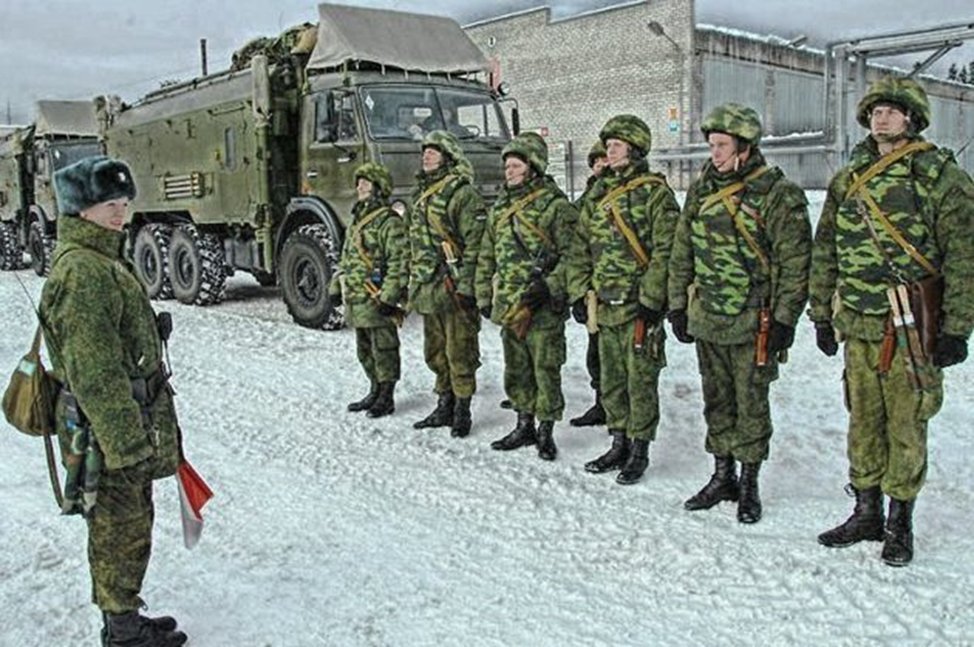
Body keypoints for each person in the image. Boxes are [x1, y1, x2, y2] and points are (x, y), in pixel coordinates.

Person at [810, 76, 974, 566]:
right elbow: (826, 250)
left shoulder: (938, 175)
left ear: (912, 119)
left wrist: (956, 328)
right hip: (859, 322)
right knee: (863, 419)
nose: (881, 118)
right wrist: (820, 313)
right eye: (875, 110)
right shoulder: (847, 177)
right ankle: (866, 510)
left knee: (906, 423)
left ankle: (899, 520)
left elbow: (965, 255)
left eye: (892, 111)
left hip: (909, 326)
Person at [39, 156, 187, 646]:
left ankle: (121, 617)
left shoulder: (101, 258)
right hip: (110, 426)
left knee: (125, 521)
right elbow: (95, 372)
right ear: (81, 209)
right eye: (109, 205)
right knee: (119, 527)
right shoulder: (83, 272)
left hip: (123, 419)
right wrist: (124, 442)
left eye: (124, 203)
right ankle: (122, 632)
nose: (120, 213)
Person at [667, 103, 811, 524]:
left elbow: (795, 262)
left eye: (722, 146)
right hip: (708, 317)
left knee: (751, 404)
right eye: (711, 145)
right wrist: (678, 304)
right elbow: (682, 251)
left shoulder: (777, 194)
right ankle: (721, 475)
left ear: (745, 148)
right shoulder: (701, 190)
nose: (714, 154)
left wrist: (785, 318)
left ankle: (749, 482)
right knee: (716, 400)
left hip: (753, 322)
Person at [566, 115, 680, 485]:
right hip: (605, 306)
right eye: (608, 145)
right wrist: (580, 292)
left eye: (615, 145)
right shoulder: (597, 195)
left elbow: (667, 251)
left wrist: (652, 299)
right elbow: (579, 248)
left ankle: (640, 448)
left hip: (637, 306)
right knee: (612, 378)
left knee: (640, 380)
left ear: (633, 148)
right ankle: (618, 440)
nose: (608, 151)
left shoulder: (654, 193)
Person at [475, 132, 577, 460]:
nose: (509, 171)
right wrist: (483, 295)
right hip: (510, 303)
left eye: (516, 165)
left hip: (543, 305)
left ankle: (545, 429)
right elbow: (486, 254)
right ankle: (523, 423)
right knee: (517, 367)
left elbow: (575, 256)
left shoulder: (555, 206)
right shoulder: (501, 206)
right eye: (507, 165)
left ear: (533, 167)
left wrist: (550, 287)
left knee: (546, 367)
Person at [408, 130, 487, 437]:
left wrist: (468, 289)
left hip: (453, 287)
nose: (426, 155)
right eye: (424, 150)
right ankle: (444, 403)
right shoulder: (420, 194)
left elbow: (476, 246)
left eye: (434, 151)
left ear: (448, 157)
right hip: (429, 287)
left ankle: (462, 410)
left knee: (460, 350)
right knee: (435, 350)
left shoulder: (463, 194)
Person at [330, 162, 407, 418]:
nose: (359, 186)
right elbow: (346, 257)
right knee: (364, 348)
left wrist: (389, 296)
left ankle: (386, 395)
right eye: (359, 181)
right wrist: (335, 286)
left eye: (366, 182)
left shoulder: (389, 222)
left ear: (378, 188)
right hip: (357, 297)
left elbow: (400, 261)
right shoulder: (357, 220)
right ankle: (374, 388)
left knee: (384, 347)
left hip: (376, 295)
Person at [569, 140, 610, 428]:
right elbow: (575, 244)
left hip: (621, 291)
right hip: (594, 291)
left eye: (605, 159)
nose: (601, 165)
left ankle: (623, 415)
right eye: (596, 161)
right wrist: (577, 292)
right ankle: (601, 403)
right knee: (595, 353)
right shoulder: (586, 200)